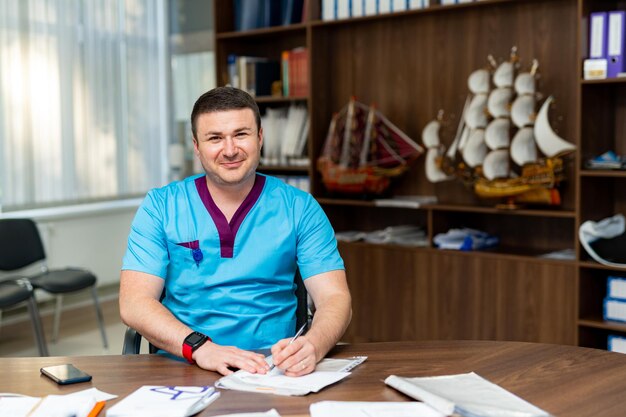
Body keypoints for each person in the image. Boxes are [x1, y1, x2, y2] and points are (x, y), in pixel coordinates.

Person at [119, 86, 352, 377]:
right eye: (215, 138)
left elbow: (334, 297)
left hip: (273, 369)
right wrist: (201, 348)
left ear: (259, 137)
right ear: (196, 146)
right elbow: (134, 303)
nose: (230, 150)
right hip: (186, 363)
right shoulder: (161, 207)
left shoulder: (299, 208)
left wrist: (313, 345)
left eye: (241, 134)